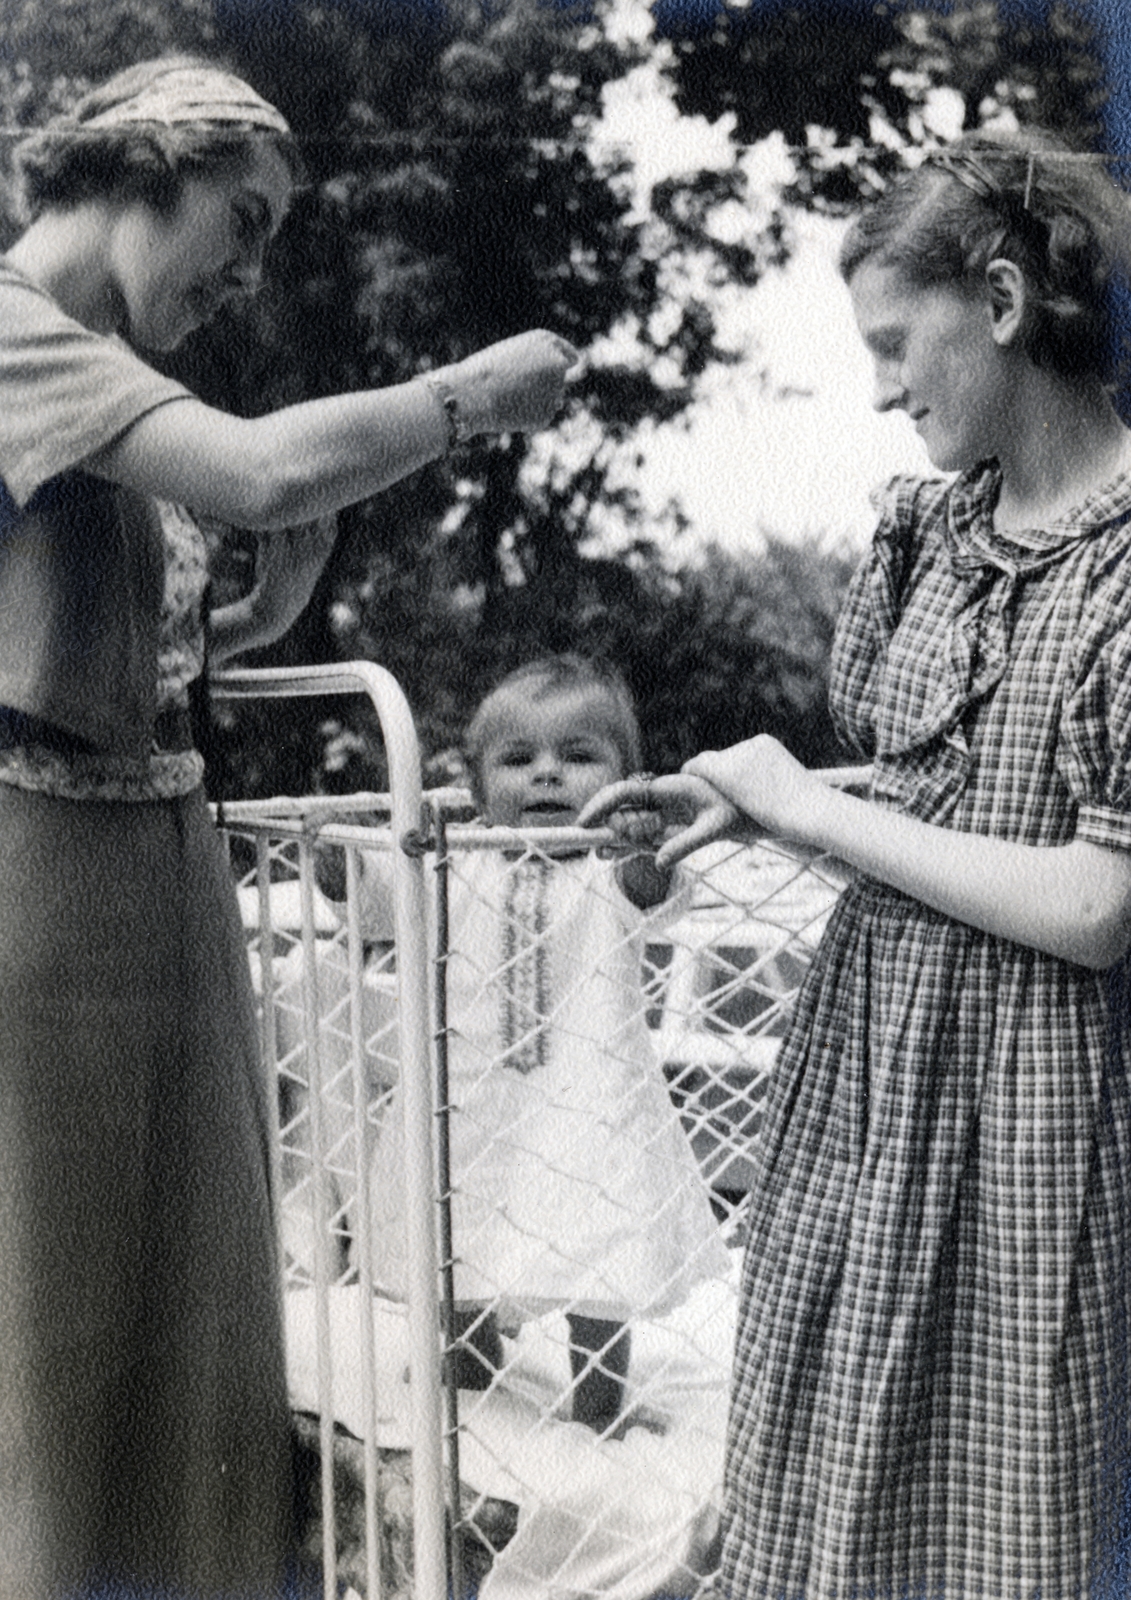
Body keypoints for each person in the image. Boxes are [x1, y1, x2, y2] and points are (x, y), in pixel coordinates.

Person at [0, 53, 575, 1600]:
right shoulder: (13, 337)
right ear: (145, 166)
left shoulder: (113, 379)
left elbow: (140, 647)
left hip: (163, 850)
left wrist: (276, 597)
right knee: (50, 1319)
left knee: (189, 1310)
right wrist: (467, 402)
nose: (248, 271)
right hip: (36, 869)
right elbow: (256, 471)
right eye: (239, 222)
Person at [581, 128, 1131, 1597]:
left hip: (1042, 1104)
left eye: (897, 345)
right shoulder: (932, 539)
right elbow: (947, 790)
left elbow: (1091, 903)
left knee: (1006, 1504)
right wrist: (759, 801)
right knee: (832, 1468)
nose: (881, 387)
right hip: (875, 1076)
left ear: (1002, 305)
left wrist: (813, 814)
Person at [316, 655, 730, 1433]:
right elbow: (378, 903)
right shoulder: (453, 863)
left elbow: (659, 894)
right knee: (460, 1232)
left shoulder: (612, 871)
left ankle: (600, 1399)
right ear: (475, 790)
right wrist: (342, 868)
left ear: (623, 784)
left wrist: (641, 845)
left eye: (579, 758)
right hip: (468, 1094)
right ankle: (471, 1361)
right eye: (518, 759)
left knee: (598, 1251)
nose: (547, 776)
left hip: (587, 1101)